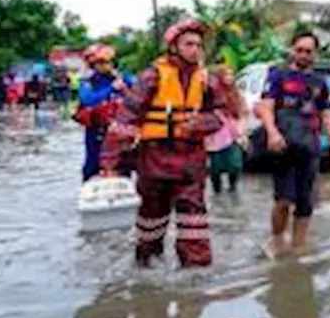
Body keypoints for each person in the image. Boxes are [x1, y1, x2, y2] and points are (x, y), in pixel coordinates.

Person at [101, 19, 241, 268]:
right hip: (155, 159)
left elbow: (221, 114)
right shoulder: (151, 77)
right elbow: (126, 119)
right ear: (174, 46)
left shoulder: (207, 80)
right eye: (189, 44)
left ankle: (195, 278)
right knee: (151, 220)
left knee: (194, 223)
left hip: (191, 161)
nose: (195, 49)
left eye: (199, 45)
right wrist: (109, 165)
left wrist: (201, 123)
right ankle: (146, 266)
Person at [255, 30, 330, 253]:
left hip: (309, 147)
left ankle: (299, 248)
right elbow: (266, 106)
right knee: (283, 200)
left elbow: (327, 115)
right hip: (282, 146)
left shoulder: (319, 82)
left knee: (305, 204)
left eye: (308, 51)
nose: (303, 55)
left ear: (315, 54)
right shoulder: (277, 75)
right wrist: (272, 132)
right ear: (292, 50)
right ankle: (276, 240)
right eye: (299, 50)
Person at [76, 45, 134, 181]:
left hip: (120, 131)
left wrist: (124, 88)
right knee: (92, 163)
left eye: (108, 62)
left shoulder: (125, 79)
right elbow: (88, 99)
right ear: (93, 65)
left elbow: (137, 97)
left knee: (122, 164)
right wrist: (111, 89)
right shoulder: (88, 82)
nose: (106, 66)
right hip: (96, 131)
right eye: (100, 63)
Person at [205, 96, 247, 194]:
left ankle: (232, 186)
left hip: (232, 139)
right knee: (215, 168)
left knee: (235, 165)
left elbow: (241, 118)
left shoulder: (234, 106)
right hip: (214, 141)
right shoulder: (212, 111)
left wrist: (241, 134)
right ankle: (217, 189)